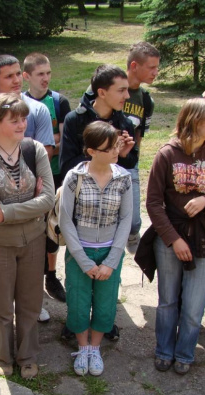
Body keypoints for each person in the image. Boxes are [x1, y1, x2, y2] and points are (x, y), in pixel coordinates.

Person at [137, 98, 205, 375]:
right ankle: (164, 350)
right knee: (168, 301)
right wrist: (172, 239)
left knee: (193, 304)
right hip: (170, 237)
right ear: (196, 122)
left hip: (203, 237)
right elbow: (154, 203)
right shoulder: (166, 154)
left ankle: (185, 352)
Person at [0, 54, 55, 328]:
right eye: (9, 76)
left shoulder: (38, 109)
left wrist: (27, 190)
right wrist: (4, 190)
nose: (17, 80)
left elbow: (44, 151)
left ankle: (31, 300)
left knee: (31, 260)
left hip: (28, 189)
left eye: (19, 73)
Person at [0, 93, 55, 379]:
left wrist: (8, 212)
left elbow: (48, 200)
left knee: (31, 303)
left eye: (24, 118)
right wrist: (29, 207)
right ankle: (3, 355)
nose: (22, 124)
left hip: (34, 240)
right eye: (14, 120)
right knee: (3, 305)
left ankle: (28, 355)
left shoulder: (35, 151)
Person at [59, 64, 136, 341]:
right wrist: (97, 161)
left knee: (106, 294)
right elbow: (67, 163)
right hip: (83, 208)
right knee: (79, 292)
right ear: (102, 92)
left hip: (110, 214)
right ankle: (78, 324)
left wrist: (123, 153)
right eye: (122, 90)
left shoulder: (125, 122)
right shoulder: (75, 119)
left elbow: (129, 164)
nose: (127, 95)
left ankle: (101, 327)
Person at [60, 121, 132, 376]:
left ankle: (95, 347)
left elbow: (126, 220)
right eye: (109, 147)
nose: (116, 151)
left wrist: (112, 260)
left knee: (105, 304)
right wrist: (83, 260)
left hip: (110, 252)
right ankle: (82, 347)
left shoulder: (123, 178)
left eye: (116, 146)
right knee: (78, 302)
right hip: (80, 253)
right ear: (91, 151)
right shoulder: (74, 177)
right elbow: (65, 219)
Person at [23, 52, 71, 304]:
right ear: (26, 76)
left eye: (48, 73)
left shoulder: (58, 101)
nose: (45, 78)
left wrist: (43, 145)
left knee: (52, 227)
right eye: (40, 74)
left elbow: (64, 140)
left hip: (54, 174)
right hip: (24, 178)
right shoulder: (21, 103)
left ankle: (51, 276)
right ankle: (31, 278)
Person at [121, 42, 160, 255]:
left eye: (157, 67)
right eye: (151, 67)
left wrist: (134, 160)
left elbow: (140, 135)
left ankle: (133, 241)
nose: (156, 72)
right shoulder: (110, 86)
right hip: (104, 162)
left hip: (130, 163)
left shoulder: (146, 100)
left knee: (135, 222)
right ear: (134, 65)